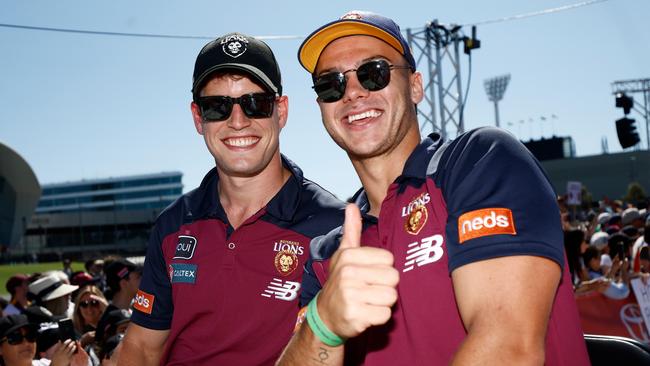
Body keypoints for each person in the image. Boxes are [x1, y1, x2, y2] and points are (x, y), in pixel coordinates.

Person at [278, 10, 590, 365]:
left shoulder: (480, 162)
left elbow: (508, 348)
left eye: (373, 73)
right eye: (331, 84)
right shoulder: (325, 254)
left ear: (415, 86)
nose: (353, 92)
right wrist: (324, 324)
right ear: (321, 105)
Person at [119, 32, 345, 365]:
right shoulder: (173, 224)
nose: (238, 122)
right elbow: (141, 346)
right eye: (217, 107)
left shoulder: (333, 226)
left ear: (281, 111)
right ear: (198, 118)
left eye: (256, 103)